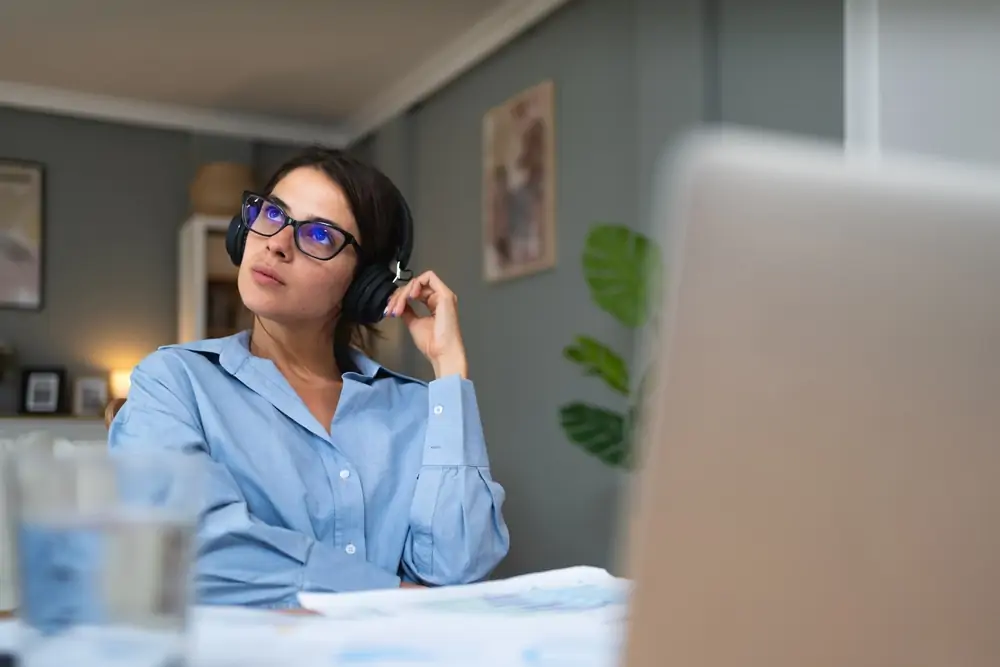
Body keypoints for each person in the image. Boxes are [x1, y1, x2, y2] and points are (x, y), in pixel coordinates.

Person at [108, 148, 510, 609]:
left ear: (365, 285)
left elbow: (456, 568)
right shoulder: (174, 382)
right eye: (273, 213)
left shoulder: (417, 409)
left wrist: (450, 370)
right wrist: (385, 594)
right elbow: (183, 547)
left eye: (319, 235)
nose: (277, 242)